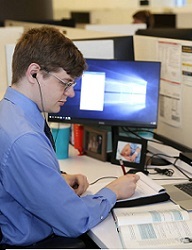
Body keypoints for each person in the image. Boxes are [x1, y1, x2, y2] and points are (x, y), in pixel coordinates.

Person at [0, 26, 140, 247]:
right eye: (65, 83)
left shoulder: (8, 113)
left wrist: (55, 180)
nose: (71, 93)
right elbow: (74, 221)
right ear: (34, 73)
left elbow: (14, 178)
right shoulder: (24, 139)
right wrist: (113, 191)